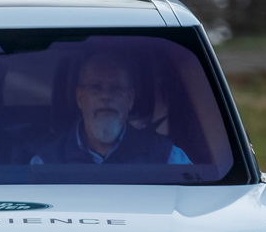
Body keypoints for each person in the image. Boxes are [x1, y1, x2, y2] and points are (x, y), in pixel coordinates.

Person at [30, 51, 190, 166]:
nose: (106, 96)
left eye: (116, 88)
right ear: (80, 98)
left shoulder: (166, 157)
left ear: (130, 99)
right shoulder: (46, 162)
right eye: (95, 88)